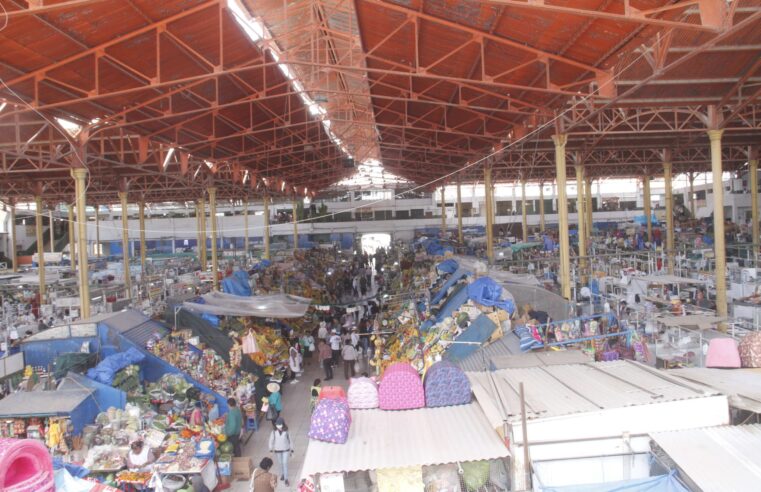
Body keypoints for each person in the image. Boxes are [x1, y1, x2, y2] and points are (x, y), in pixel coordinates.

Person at [268, 417, 293, 486]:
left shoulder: (286, 431)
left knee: (284, 463)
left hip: (286, 449)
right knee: (280, 463)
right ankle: (282, 473)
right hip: (277, 450)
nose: (278, 426)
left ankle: (286, 479)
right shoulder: (273, 432)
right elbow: (271, 441)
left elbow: (290, 440)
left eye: (280, 424)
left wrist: (292, 450)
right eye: (277, 424)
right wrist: (271, 449)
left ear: (283, 424)